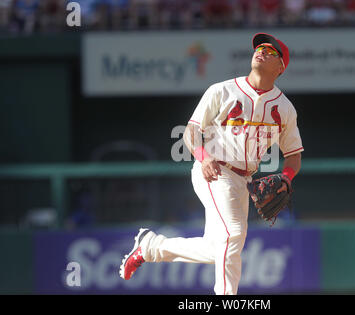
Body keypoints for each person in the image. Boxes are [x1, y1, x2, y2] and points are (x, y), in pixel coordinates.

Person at [119, 33, 304, 295]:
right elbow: (191, 132)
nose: (261, 51)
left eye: (270, 51)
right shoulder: (222, 90)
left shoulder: (285, 108)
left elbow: (294, 154)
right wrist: (203, 157)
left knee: (221, 246)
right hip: (215, 170)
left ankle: (150, 247)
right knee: (234, 234)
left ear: (281, 66)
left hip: (245, 181)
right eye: (259, 48)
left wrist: (286, 177)